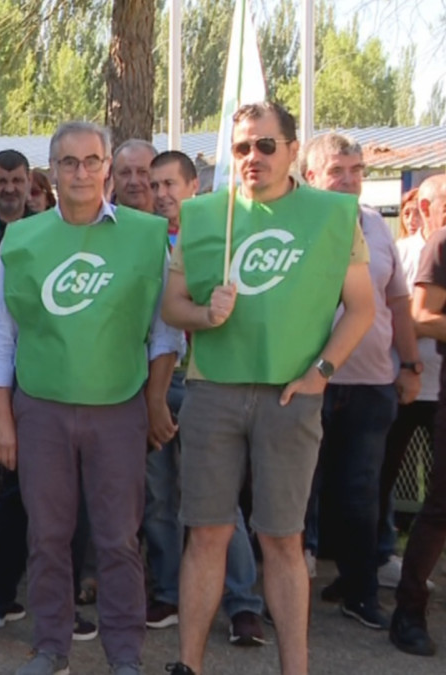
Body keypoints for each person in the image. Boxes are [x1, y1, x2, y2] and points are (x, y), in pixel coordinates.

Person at [162, 101, 375, 675]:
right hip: (212, 392)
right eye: (240, 148)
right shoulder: (204, 214)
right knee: (206, 534)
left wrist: (319, 374)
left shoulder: (334, 215)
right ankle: (189, 665)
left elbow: (361, 309)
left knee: (283, 537)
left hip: (291, 396)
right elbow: (171, 305)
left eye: (264, 145)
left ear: (291, 150)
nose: (251, 157)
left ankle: (295, 670)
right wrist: (206, 315)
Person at [0, 122, 184, 675]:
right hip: (41, 407)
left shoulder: (145, 236)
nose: (80, 172)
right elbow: (1, 335)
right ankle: (51, 648)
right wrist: (1, 415)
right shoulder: (20, 242)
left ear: (107, 167)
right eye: (68, 162)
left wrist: (156, 398)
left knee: (119, 538)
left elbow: (165, 331)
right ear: (53, 169)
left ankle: (124, 655)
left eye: (91, 161)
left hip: (119, 406)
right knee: (47, 536)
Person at [144, 151, 267, 644]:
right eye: (154, 186)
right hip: (155, 382)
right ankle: (171, 593)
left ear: (195, 186)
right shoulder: (143, 238)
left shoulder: (221, 235)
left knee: (217, 504)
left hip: (206, 381)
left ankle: (242, 604)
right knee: (158, 496)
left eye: (170, 183)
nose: (161, 194)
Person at [300, 133, 419, 630]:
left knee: (361, 492)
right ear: (310, 177)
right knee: (300, 491)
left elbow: (396, 302)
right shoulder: (297, 226)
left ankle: (358, 587)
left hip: (371, 384)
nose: (349, 179)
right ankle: (288, 593)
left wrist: (410, 364)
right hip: (307, 382)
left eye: (356, 170)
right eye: (336, 171)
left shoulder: (375, 226)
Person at [391, 173, 446, 656]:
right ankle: (408, 610)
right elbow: (421, 315)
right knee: (440, 507)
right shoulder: (442, 242)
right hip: (425, 386)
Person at [382, 182, 444, 587]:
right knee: (382, 479)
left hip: (434, 386)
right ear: (424, 205)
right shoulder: (408, 249)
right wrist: (407, 364)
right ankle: (377, 565)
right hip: (407, 383)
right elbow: (413, 316)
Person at [111, 139, 157, 213]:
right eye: (125, 173)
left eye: (142, 172)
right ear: (112, 177)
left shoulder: (174, 220)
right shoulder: (96, 219)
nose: (134, 181)